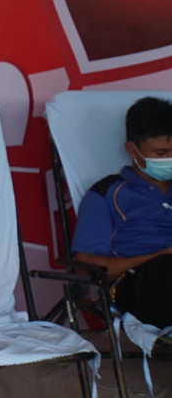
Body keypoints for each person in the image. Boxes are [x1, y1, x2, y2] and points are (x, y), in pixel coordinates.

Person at [70, 95, 172, 329]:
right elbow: (85, 265)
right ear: (132, 150)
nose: (170, 159)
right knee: (167, 268)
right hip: (137, 284)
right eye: (161, 153)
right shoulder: (106, 194)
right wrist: (160, 255)